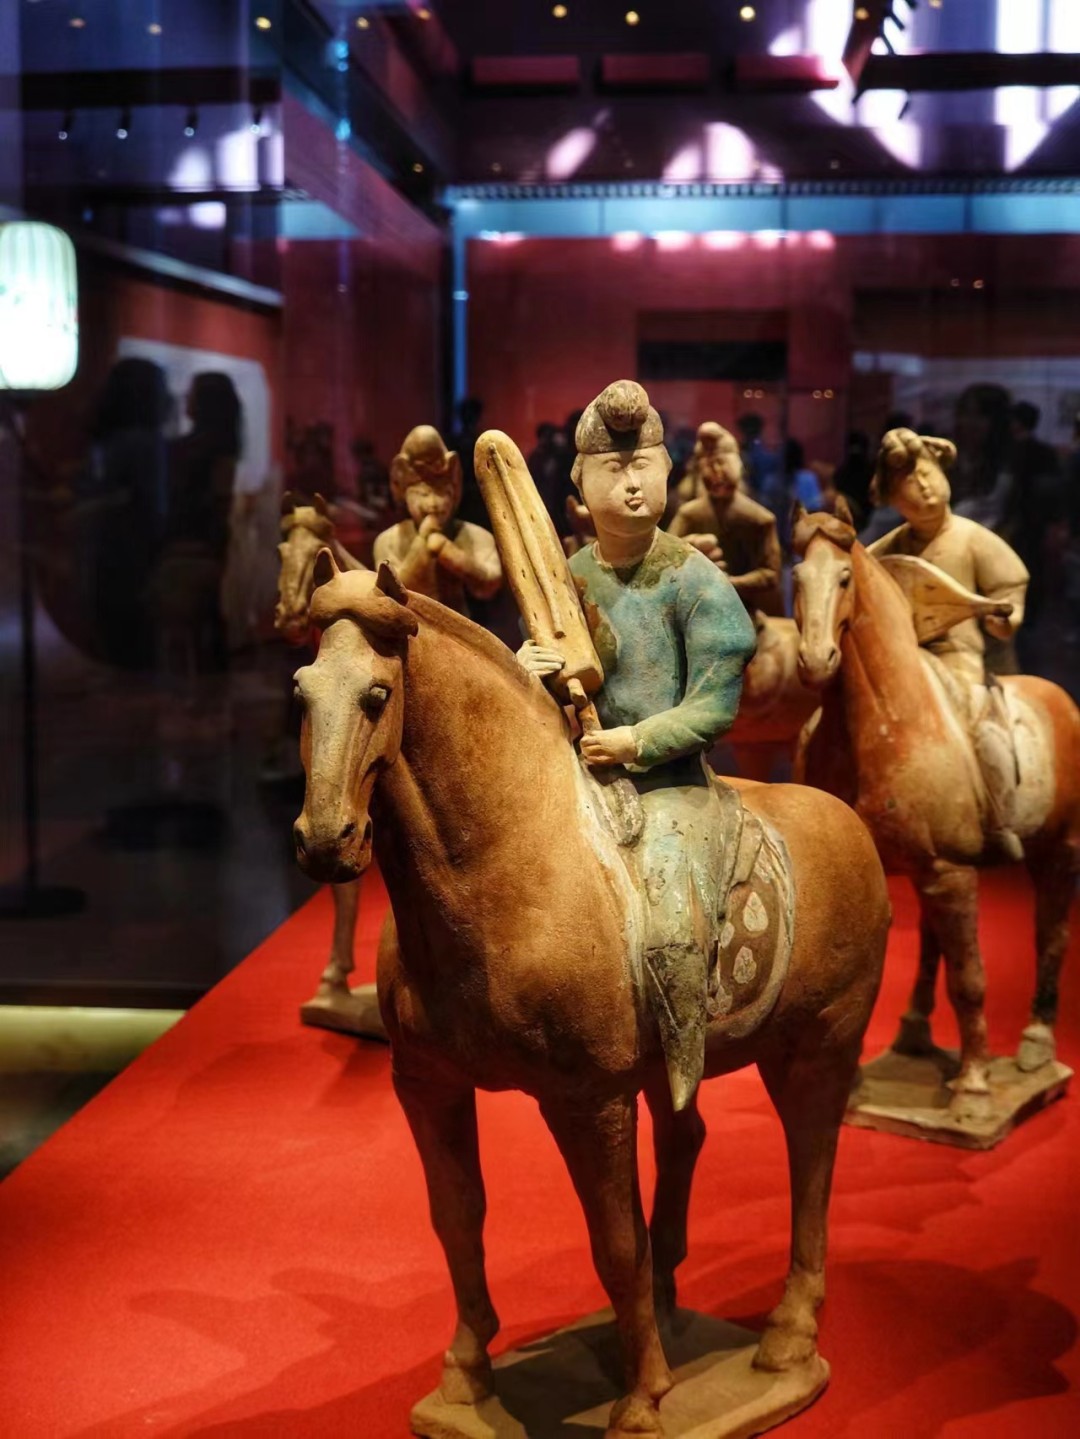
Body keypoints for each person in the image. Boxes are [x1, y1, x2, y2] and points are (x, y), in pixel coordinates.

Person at [517, 380, 756, 1109]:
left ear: (668, 472)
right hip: (578, 776)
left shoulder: (696, 580)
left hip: (669, 784)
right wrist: (525, 671)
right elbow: (554, 674)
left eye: (643, 465)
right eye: (613, 469)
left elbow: (714, 703)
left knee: (671, 914)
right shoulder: (566, 579)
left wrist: (634, 741)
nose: (630, 483)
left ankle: (681, 1054)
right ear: (579, 486)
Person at [868, 428, 1030, 861]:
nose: (922, 486)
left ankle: (999, 817)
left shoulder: (972, 538)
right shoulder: (888, 548)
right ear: (893, 498)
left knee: (984, 728)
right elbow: (864, 581)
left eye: (926, 473)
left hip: (959, 657)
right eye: (908, 482)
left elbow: (1009, 593)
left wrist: (1004, 618)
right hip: (902, 659)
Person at [373, 423, 502, 613]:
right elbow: (391, 592)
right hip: (409, 624)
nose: (433, 503)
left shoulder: (475, 535)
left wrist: (447, 550)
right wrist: (422, 543)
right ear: (404, 495)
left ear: (454, 492)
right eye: (423, 494)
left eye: (441, 492)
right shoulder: (388, 541)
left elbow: (489, 584)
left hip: (459, 624)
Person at [667, 424, 784, 616]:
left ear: (736, 466)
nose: (716, 473)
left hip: (745, 613)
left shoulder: (759, 519)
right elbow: (664, 559)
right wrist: (689, 551)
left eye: (721, 464)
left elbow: (771, 574)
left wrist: (728, 583)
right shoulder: (689, 514)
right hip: (695, 612)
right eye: (708, 466)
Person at [1005, 401, 1062, 644]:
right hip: (1034, 521)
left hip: (1021, 519)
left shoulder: (1009, 451)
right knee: (1032, 567)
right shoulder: (1044, 452)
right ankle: (1028, 616)